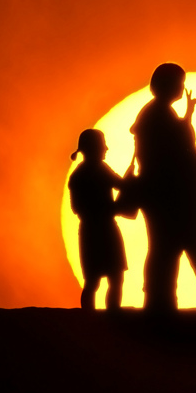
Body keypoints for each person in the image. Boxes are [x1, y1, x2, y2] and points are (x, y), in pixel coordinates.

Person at [130, 63, 196, 313]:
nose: (182, 88)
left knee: (164, 254)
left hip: (164, 196)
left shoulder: (154, 114)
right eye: (179, 83)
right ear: (170, 85)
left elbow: (178, 142)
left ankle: (161, 307)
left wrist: (187, 115)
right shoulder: (157, 115)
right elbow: (179, 150)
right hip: (173, 198)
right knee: (188, 255)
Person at [68, 129, 128, 310]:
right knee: (111, 278)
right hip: (103, 230)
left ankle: (92, 318)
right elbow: (122, 185)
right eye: (103, 145)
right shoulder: (99, 171)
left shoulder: (79, 175)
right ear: (94, 147)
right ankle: (111, 316)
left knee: (95, 281)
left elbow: (76, 208)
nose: (106, 149)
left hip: (91, 231)